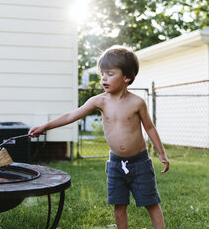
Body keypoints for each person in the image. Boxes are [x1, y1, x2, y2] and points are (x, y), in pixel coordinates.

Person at [29, 45, 169, 229]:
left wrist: (162, 154)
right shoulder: (99, 101)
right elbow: (72, 115)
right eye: (102, 73)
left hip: (140, 163)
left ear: (126, 77)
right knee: (119, 205)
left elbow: (150, 128)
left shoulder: (137, 102)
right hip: (116, 164)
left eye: (110, 73)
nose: (103, 78)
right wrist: (46, 126)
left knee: (150, 202)